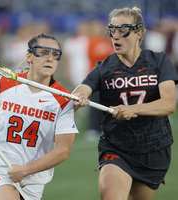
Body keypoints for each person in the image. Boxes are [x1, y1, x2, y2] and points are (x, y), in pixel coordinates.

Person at [0, 33, 78, 200]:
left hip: (33, 179)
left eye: (55, 55)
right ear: (29, 56)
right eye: (44, 52)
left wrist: (25, 170)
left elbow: (63, 151)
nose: (50, 59)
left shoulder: (63, 99)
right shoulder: (6, 82)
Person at [72, 7, 178, 200]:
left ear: (139, 33)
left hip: (154, 149)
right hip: (116, 147)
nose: (116, 36)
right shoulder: (104, 67)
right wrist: (77, 99)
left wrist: (133, 109)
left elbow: (169, 104)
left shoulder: (159, 61)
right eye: (112, 30)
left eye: (123, 31)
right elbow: (81, 90)